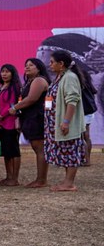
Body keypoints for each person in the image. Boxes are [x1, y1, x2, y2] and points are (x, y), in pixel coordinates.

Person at [43, 50, 86, 192]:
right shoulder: (60, 77)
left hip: (65, 122)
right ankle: (66, 181)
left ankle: (69, 183)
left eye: (52, 62)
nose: (49, 65)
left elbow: (72, 101)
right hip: (55, 122)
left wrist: (66, 121)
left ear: (61, 64)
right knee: (65, 151)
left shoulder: (70, 77)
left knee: (70, 151)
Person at [8, 58, 50, 188]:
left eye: (31, 65)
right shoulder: (30, 82)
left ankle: (41, 180)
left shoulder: (39, 80)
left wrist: (15, 107)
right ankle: (40, 179)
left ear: (39, 68)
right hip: (30, 117)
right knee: (37, 148)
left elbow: (31, 99)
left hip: (37, 118)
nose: (27, 67)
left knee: (40, 149)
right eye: (26, 65)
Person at [0, 64, 22, 186]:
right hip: (0, 123)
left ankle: (14, 178)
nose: (4, 74)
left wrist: (2, 115)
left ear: (13, 73)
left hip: (11, 121)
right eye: (2, 71)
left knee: (14, 150)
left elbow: (14, 105)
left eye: (7, 72)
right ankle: (8, 177)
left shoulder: (15, 87)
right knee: (6, 151)